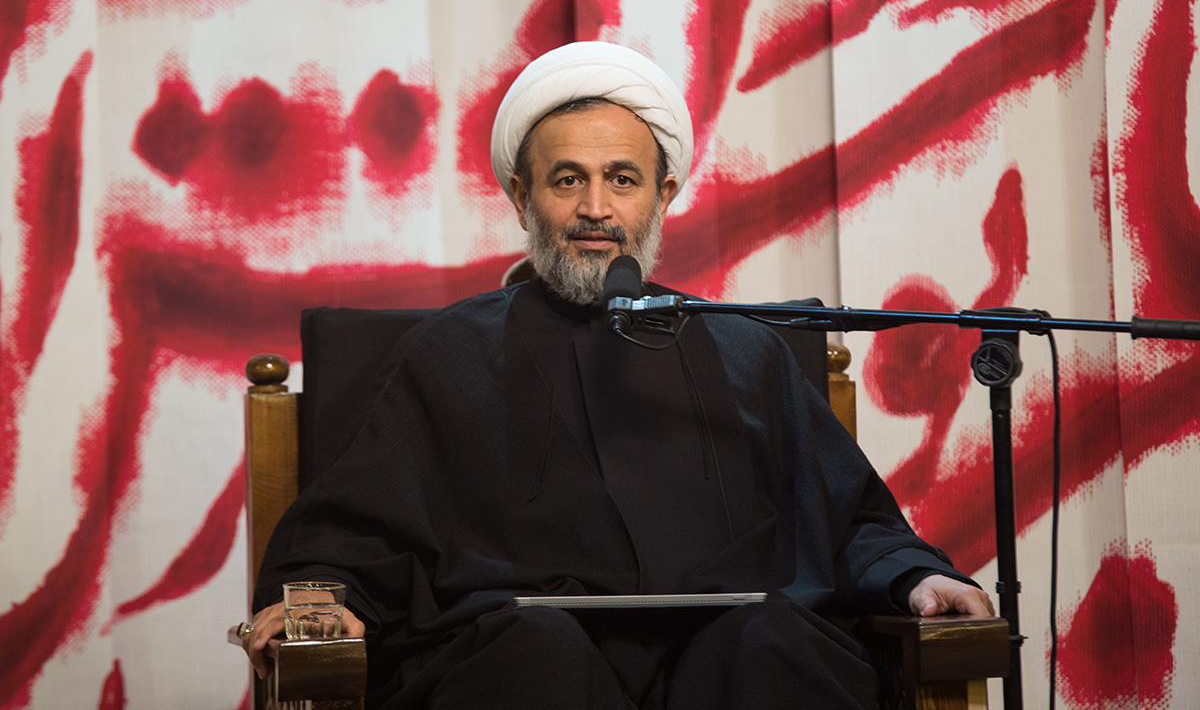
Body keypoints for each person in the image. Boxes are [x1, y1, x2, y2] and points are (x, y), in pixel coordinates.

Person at [239, 41, 994, 709]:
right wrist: (325, 601)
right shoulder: (448, 355)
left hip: (734, 664)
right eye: (568, 179)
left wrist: (914, 578)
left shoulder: (745, 350)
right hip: (522, 665)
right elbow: (357, 533)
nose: (595, 208)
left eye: (623, 180)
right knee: (536, 654)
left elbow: (848, 521)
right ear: (522, 197)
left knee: (772, 641)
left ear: (663, 196)